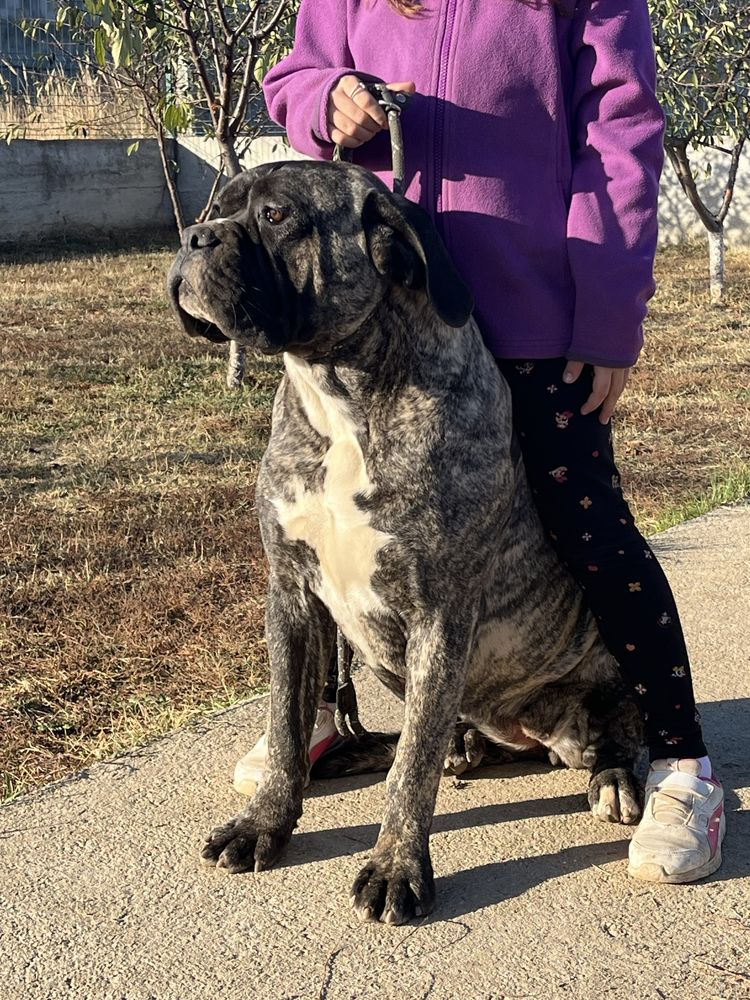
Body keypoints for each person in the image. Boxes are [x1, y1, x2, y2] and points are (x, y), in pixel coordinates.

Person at [233, 0, 725, 884]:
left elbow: (620, 132)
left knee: (588, 529)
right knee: (336, 516)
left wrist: (608, 316)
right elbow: (292, 78)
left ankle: (685, 764)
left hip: (532, 322)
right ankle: (318, 718)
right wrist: (328, 98)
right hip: (388, 324)